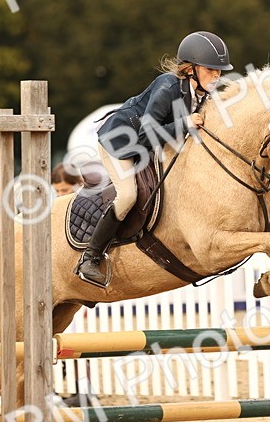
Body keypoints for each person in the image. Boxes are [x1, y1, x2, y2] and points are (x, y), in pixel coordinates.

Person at [76, 30, 233, 287]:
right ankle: (90, 258)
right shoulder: (167, 87)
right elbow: (147, 134)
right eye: (211, 69)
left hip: (150, 145)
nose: (217, 76)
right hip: (121, 143)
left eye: (219, 71)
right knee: (128, 195)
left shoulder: (204, 94)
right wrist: (185, 122)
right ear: (191, 69)